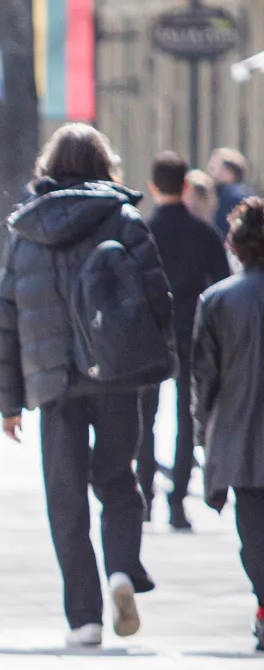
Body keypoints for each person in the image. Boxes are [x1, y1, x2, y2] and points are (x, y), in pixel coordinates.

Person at [0, 123, 173, 647]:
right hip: (117, 377)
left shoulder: (26, 230)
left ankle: (84, 618)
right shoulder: (124, 218)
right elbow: (158, 298)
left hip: (55, 386)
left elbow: (5, 319)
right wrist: (153, 367)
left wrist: (9, 403)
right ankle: (121, 569)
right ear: (105, 165)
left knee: (65, 497)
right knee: (119, 482)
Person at [136, 151, 230, 531]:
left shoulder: (142, 231)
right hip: (192, 329)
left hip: (150, 332)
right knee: (186, 417)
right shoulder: (204, 233)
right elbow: (221, 284)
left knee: (147, 416)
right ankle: (177, 501)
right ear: (187, 186)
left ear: (152, 187)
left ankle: (144, 496)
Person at [192, 196, 264, 649]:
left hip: (242, 438)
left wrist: (204, 435)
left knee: (254, 535)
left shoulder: (218, 300)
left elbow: (205, 379)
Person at [211, 148, 254, 233]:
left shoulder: (231, 196)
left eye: (215, 165)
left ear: (229, 171)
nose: (210, 167)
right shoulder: (247, 193)